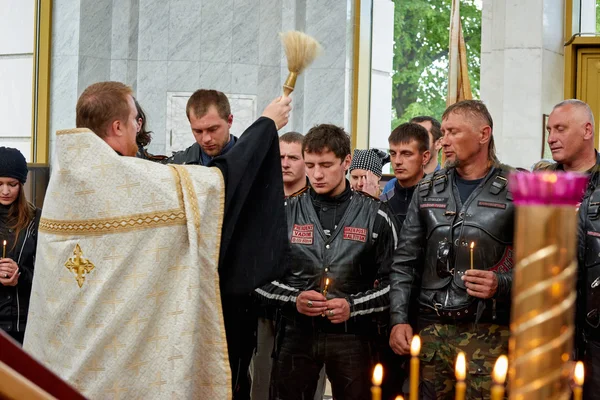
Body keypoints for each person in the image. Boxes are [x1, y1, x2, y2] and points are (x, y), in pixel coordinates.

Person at [23, 81, 292, 399]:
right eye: (136, 118)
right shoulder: (130, 181)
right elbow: (221, 184)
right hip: (116, 368)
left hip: (66, 360)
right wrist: (266, 125)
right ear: (118, 125)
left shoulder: (63, 182)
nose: (140, 127)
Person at [256, 124, 398, 400]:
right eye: (310, 165)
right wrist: (293, 299)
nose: (317, 174)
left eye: (326, 165)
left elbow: (398, 284)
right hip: (295, 334)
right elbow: (257, 279)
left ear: (346, 162)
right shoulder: (283, 213)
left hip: (353, 337)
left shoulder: (376, 215)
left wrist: (353, 306)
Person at [389, 100, 514, 399]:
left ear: (483, 135)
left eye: (453, 132)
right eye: (442, 132)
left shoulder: (517, 187)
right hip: (431, 329)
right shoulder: (428, 188)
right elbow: (404, 262)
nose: (443, 140)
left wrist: (502, 282)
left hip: (489, 332)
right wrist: (398, 319)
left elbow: (540, 267)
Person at [0, 148, 41, 345]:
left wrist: (20, 275)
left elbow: (48, 275)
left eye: (12, 184)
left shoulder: (36, 220)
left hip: (24, 326)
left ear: (21, 184)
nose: (5, 191)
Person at [163, 89, 237, 165]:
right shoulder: (176, 166)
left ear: (229, 121)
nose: (206, 139)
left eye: (212, 129)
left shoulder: (248, 165)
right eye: (198, 131)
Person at [380, 123, 431, 227]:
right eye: (393, 154)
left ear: (425, 157)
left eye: (406, 154)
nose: (397, 161)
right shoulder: (383, 203)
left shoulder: (439, 200)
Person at [535, 99, 599, 173]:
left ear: (587, 131)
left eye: (560, 129)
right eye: (549, 132)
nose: (550, 139)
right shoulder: (541, 178)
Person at [383, 116, 442, 194]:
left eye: (423, 135)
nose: (397, 161)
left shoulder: (447, 184)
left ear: (439, 143)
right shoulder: (391, 185)